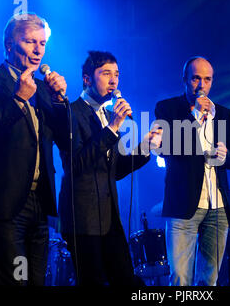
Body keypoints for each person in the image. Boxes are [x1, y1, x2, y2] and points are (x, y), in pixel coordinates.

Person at [0, 13, 69, 285]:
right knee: (15, 282)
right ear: (10, 45)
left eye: (42, 43)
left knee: (35, 282)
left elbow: (67, 142)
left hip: (39, 203)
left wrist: (60, 100)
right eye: (30, 42)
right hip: (4, 206)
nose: (38, 50)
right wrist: (17, 100)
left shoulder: (44, 91)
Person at [58, 51, 162, 285]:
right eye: (106, 74)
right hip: (82, 218)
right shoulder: (70, 112)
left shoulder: (106, 115)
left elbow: (114, 171)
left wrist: (145, 146)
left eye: (116, 74)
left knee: (126, 279)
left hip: (109, 217)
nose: (114, 81)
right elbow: (75, 165)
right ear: (87, 79)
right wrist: (113, 126)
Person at [154, 56, 230, 286]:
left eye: (207, 79)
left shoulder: (223, 114)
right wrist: (194, 118)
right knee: (181, 277)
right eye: (195, 78)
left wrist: (225, 156)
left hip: (217, 206)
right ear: (185, 79)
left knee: (208, 280)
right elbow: (167, 148)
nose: (201, 85)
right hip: (183, 206)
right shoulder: (168, 108)